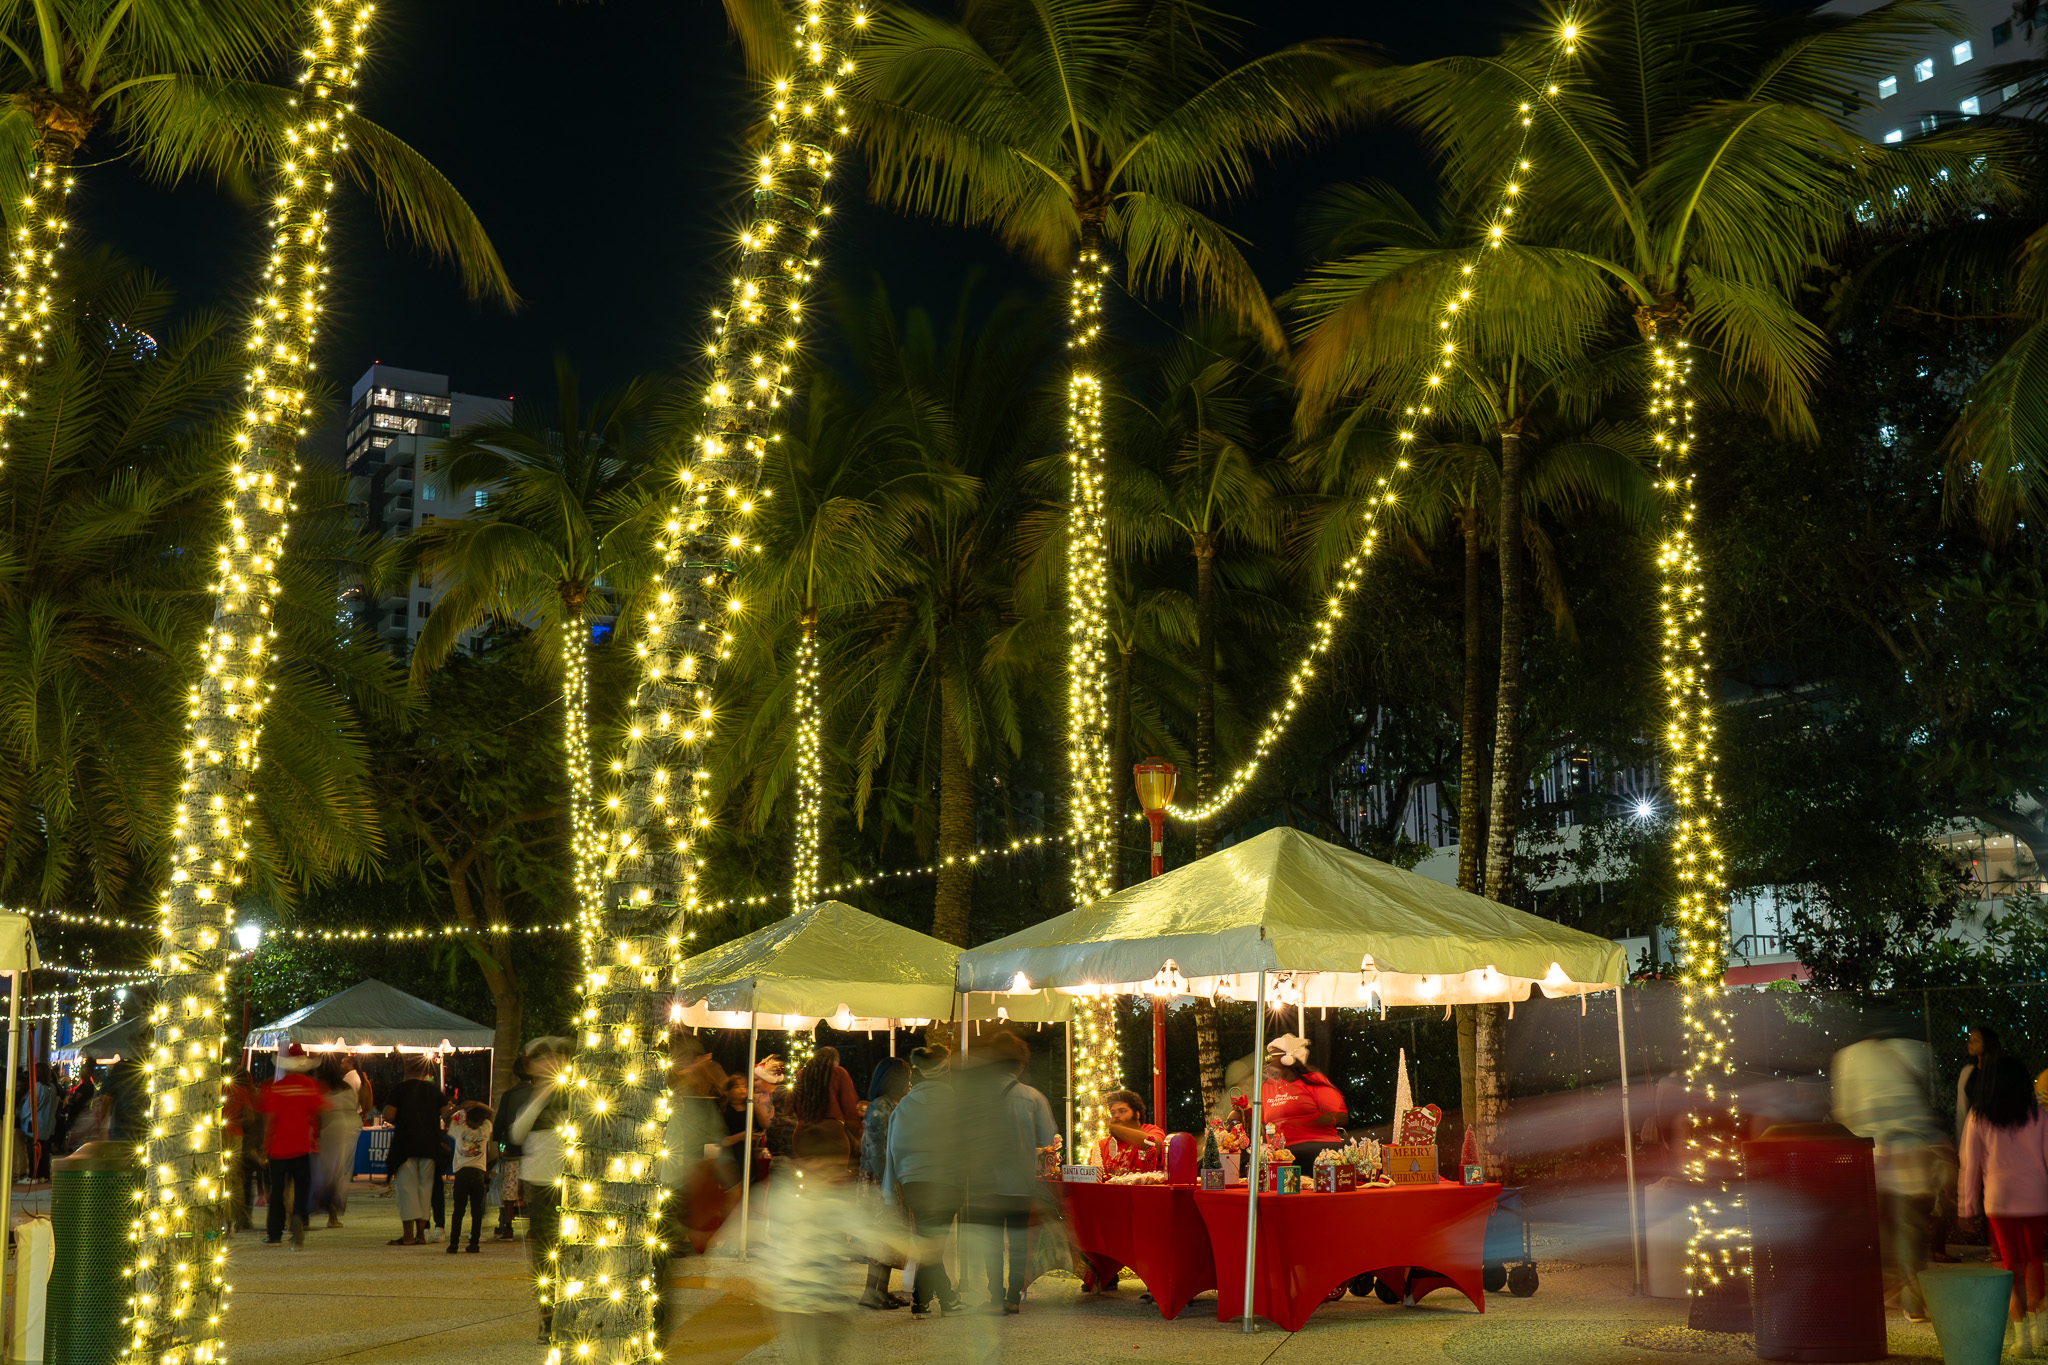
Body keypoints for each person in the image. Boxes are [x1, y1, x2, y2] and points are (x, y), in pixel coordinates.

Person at [751, 1120, 909, 1365]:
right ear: (805, 1165)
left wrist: (908, 1244)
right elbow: (768, 1239)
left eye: (837, 1168)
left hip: (830, 1300)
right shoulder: (790, 1200)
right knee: (810, 1355)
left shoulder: (837, 1203)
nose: (830, 1174)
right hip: (797, 1300)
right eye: (823, 1166)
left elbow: (868, 1229)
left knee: (828, 1353)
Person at [1835, 1023, 1948, 1322]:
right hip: (1914, 1155)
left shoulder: (1848, 1057)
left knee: (1880, 1228)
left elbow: (1845, 1113)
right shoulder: (1914, 1049)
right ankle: (1912, 1302)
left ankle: (1888, 1287)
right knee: (1910, 1229)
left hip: (1876, 1159)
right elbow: (1924, 1105)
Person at [961, 1030, 1057, 1314]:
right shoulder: (1032, 1097)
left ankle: (993, 1296)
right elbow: (1046, 1138)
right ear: (1020, 1063)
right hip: (1019, 1181)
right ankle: (1013, 1296)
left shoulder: (973, 1096)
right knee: (1017, 1241)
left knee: (991, 1242)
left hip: (983, 1182)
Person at [1961, 1052, 2048, 1352]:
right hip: (2037, 1198)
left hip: (1999, 1200)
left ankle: (2021, 1337)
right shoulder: (2040, 1117)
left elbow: (1969, 1165)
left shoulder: (1978, 1117)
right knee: (2034, 1257)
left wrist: (1966, 1205)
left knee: (2010, 1264)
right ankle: (2042, 1329)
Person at [881, 1047, 963, 1315]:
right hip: (948, 1181)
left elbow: (891, 1150)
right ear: (945, 1072)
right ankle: (947, 1299)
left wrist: (889, 1191)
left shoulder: (903, 1106)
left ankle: (922, 1298)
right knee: (933, 1243)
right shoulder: (955, 1103)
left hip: (914, 1182)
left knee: (929, 1240)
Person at [510, 1037, 571, 1344]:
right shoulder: (526, 1095)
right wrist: (541, 1096)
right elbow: (516, 1133)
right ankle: (547, 1319)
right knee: (544, 1256)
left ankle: (570, 1313)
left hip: (572, 1182)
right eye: (541, 1060)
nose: (549, 1064)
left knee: (571, 1251)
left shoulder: (575, 1093)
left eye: (555, 1058)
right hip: (540, 1183)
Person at [257, 1043, 325, 1249]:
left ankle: (274, 1233)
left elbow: (269, 1119)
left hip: (279, 1148)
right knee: (302, 1188)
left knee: (278, 1191)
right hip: (303, 1146)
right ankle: (298, 1218)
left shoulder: (277, 1088)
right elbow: (319, 1114)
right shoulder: (310, 1086)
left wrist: (264, 1147)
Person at [858, 1058, 912, 1311]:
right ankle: (871, 1293)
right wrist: (888, 1186)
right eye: (906, 1078)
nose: (909, 1084)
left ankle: (881, 1291)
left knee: (889, 1237)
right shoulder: (880, 1108)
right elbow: (877, 1152)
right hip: (880, 1181)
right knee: (881, 1236)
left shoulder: (889, 1106)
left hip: (886, 1179)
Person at [381, 1055, 446, 1246]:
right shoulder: (434, 1090)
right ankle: (421, 1235)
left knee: (407, 1190)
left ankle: (408, 1235)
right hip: (430, 1146)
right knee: (425, 1191)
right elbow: (448, 1112)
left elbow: (389, 1114)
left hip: (406, 1145)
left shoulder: (400, 1089)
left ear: (405, 1067)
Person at [1259, 1034, 1348, 1167]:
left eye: (1271, 1056)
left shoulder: (1314, 1080)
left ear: (1287, 1058)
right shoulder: (1267, 1086)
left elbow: (1341, 1116)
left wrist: (1303, 1122)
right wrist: (1241, 1112)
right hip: (1280, 1154)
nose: (1268, 1061)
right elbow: (1261, 1121)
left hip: (1316, 1149)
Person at [310, 1056, 357, 1229]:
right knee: (337, 1175)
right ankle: (333, 1216)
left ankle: (311, 1212)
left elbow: (316, 1112)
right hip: (345, 1133)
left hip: (326, 1133)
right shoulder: (346, 1089)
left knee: (320, 1174)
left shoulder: (320, 1090)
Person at [493, 1056, 532, 1242]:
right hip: (534, 1149)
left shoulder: (509, 1095)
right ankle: (535, 1227)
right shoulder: (539, 1093)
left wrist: (496, 1140)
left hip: (512, 1149)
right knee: (532, 1189)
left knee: (509, 1189)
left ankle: (508, 1227)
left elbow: (500, 1121)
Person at [446, 1100, 493, 1253]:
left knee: (458, 1211)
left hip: (462, 1172)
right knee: (477, 1212)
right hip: (478, 1173)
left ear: (467, 1118)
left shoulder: (460, 1129)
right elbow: (492, 1113)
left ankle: (453, 1244)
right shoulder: (485, 1130)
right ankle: (474, 1244)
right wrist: (479, 1104)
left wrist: (462, 1106)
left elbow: (445, 1116)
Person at [789, 1046, 863, 1136]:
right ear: (835, 1060)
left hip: (804, 1130)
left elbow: (796, 1102)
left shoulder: (802, 1073)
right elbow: (849, 1104)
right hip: (832, 1132)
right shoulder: (839, 1072)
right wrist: (855, 1129)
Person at [223, 1069, 258, 1234]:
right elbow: (250, 1117)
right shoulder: (242, 1092)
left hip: (216, 1135)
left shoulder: (215, 1090)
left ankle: (224, 1219)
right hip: (235, 1135)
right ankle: (238, 1220)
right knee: (234, 1179)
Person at [1097, 1090, 1165, 1175]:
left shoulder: (1151, 1131)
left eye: (1122, 1111)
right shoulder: (1103, 1145)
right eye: (1113, 1112)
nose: (1116, 1115)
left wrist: (1113, 1128)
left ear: (1137, 1114)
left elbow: (1154, 1146)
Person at [18, 1064, 57, 1179]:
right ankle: (44, 1175)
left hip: (34, 1125)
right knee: (44, 1152)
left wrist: (21, 1118)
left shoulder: (37, 1087)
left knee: (33, 1152)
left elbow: (29, 1107)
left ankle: (34, 1175)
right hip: (46, 1125)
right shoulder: (52, 1088)